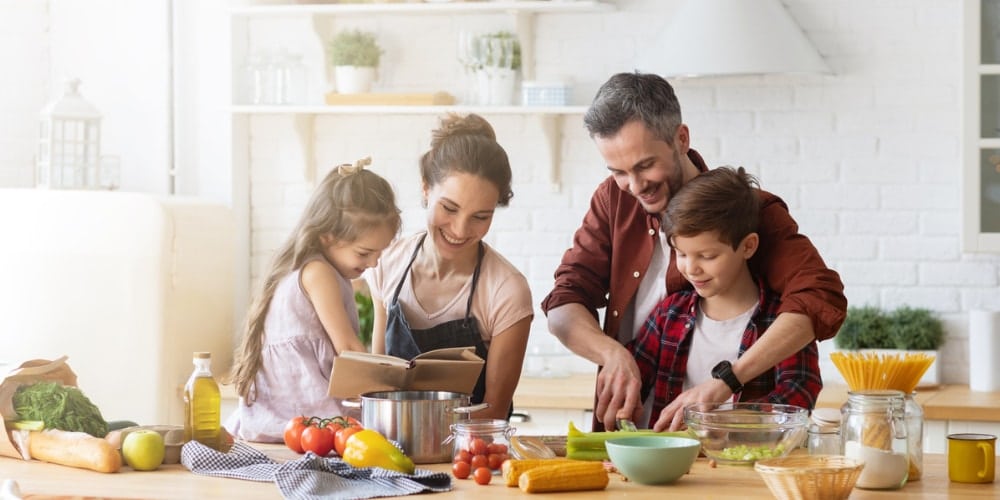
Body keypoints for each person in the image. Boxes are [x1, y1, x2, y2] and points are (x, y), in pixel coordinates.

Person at [541, 71, 847, 431]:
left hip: (731, 445)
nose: (634, 186)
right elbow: (563, 303)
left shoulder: (747, 211)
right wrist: (612, 354)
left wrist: (727, 383)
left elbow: (819, 296)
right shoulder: (613, 199)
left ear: (681, 138)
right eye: (618, 171)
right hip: (638, 434)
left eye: (645, 165)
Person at [629, 166, 822, 431]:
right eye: (681, 254)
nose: (691, 268)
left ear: (748, 246)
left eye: (707, 256)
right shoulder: (669, 314)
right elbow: (633, 380)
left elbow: (799, 395)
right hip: (672, 465)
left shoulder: (781, 322)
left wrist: (720, 422)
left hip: (748, 465)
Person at [367, 113, 533, 420]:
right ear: (426, 189)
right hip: (390, 452)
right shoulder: (386, 263)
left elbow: (494, 412)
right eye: (449, 208)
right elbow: (378, 387)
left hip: (470, 456)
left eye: (480, 217)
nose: (459, 229)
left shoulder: (506, 290)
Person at [224, 158, 401, 442]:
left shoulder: (315, 268)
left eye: (379, 253)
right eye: (364, 252)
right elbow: (347, 347)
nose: (373, 262)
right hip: (302, 415)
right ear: (327, 237)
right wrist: (387, 388)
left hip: (286, 416)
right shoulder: (319, 273)